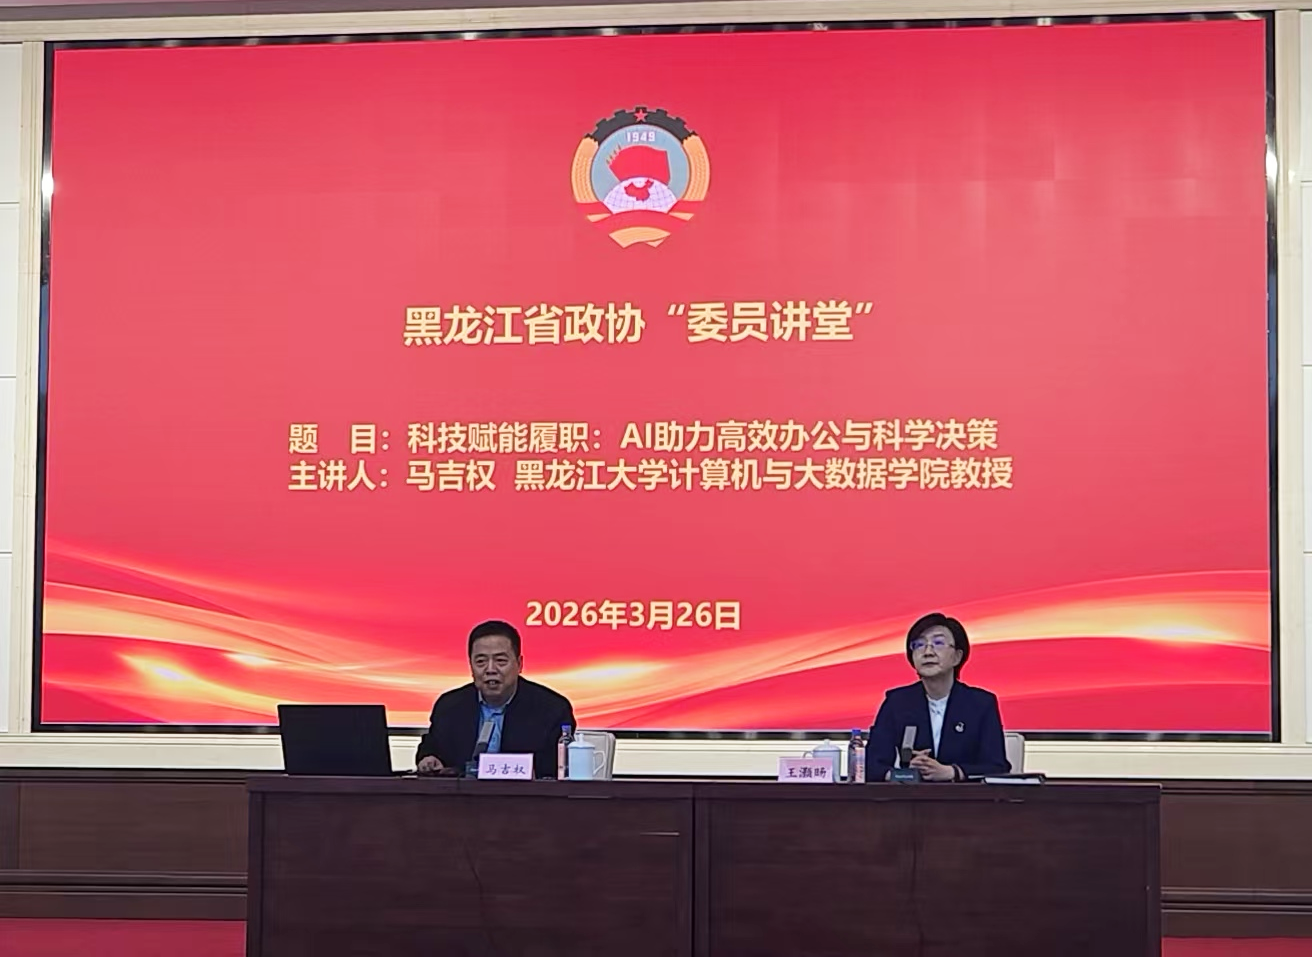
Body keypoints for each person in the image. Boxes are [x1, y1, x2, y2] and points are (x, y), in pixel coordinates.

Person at [416, 619, 575, 777]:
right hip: (461, 794)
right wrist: (429, 759)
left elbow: (557, 770)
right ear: (471, 666)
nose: (490, 669)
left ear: (519, 664)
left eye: (500, 661)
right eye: (481, 662)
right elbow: (431, 748)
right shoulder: (449, 707)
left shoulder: (552, 709)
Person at [867, 612, 1010, 782]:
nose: (928, 652)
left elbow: (997, 766)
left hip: (963, 796)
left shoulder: (981, 704)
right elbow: (871, 765)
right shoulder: (896, 702)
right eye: (919, 645)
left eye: (938, 643)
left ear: (957, 656)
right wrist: (904, 774)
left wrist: (951, 772)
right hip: (911, 796)